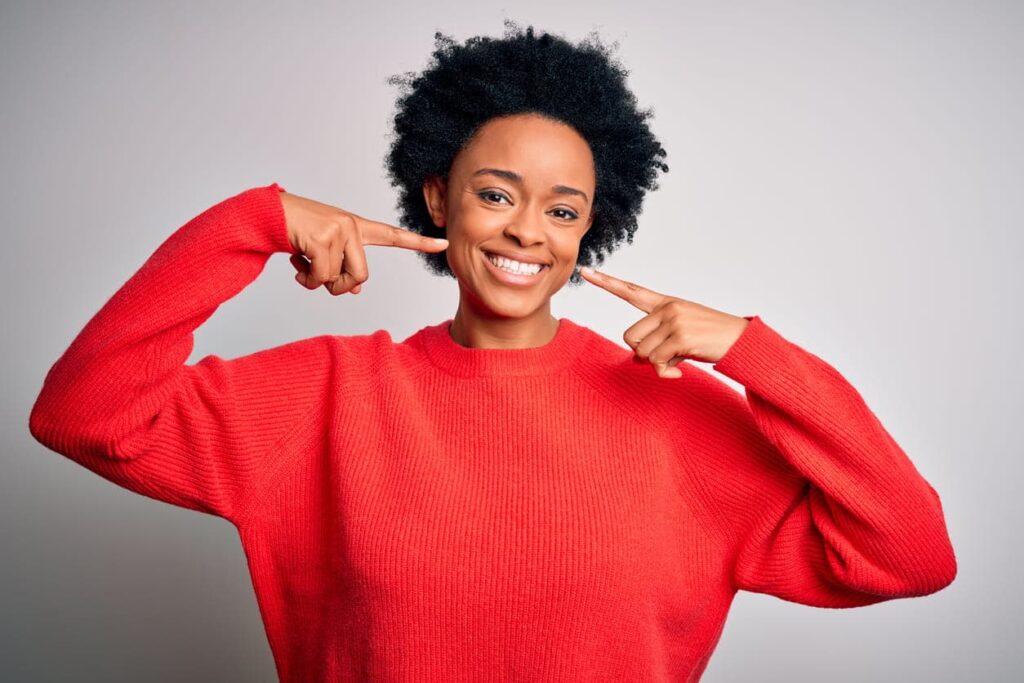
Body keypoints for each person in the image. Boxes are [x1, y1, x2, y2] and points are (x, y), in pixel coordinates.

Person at [28, 20, 956, 682]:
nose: (529, 235)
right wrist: (252, 223)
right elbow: (81, 416)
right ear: (438, 198)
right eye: (497, 194)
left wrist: (756, 353)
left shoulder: (676, 413)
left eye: (564, 210)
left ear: (593, 226)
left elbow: (910, 553)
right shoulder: (325, 396)